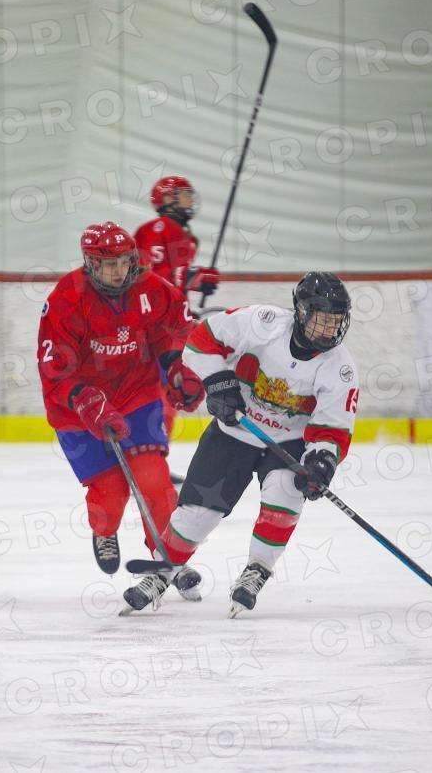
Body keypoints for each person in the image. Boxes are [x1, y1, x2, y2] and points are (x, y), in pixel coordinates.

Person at [122, 272, 359, 616]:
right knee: (199, 512)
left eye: (335, 321)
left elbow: (332, 429)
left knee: (284, 495)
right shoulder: (262, 323)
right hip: (234, 430)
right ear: (301, 312)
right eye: (322, 319)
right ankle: (160, 572)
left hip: (289, 442)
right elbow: (202, 339)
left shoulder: (340, 369)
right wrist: (219, 384)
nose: (329, 330)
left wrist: (321, 462)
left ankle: (257, 571)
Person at [37, 221, 205, 599]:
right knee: (110, 493)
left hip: (135, 396)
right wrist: (84, 399)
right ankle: (104, 529)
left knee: (154, 481)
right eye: (108, 264)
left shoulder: (153, 288)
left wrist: (178, 370)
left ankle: (170, 558)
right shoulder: (66, 299)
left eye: (124, 261)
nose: (118, 270)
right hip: (76, 410)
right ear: (90, 264)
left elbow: (174, 332)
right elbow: (53, 368)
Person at [133, 175, 220, 483]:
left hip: (167, 327)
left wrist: (197, 279)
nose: (189, 200)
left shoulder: (183, 235)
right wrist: (176, 313)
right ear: (167, 199)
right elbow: (151, 278)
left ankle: (154, 460)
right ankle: (144, 461)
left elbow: (173, 278)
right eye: (183, 195)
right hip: (154, 329)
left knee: (169, 394)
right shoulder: (159, 229)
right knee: (159, 394)